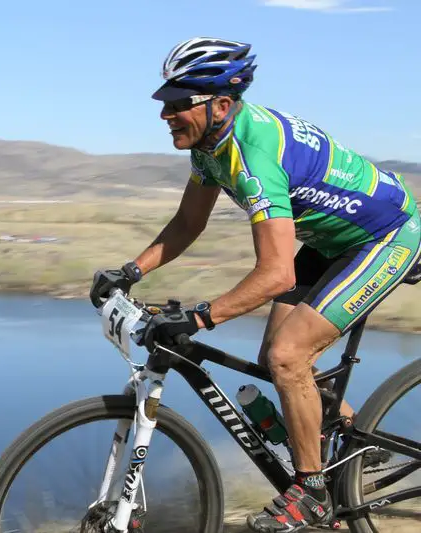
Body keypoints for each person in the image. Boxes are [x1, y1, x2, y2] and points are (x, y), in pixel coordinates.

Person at [89, 37, 421, 532]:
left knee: (289, 356)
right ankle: (352, 443)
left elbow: (276, 273)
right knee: (278, 360)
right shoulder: (210, 147)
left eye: (180, 104)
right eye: (165, 103)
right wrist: (131, 270)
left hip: (386, 237)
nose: (167, 114)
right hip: (332, 242)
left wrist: (203, 316)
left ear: (221, 104)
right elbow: (187, 224)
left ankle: (312, 493)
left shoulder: (253, 153)